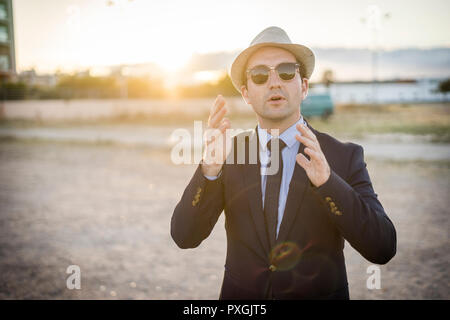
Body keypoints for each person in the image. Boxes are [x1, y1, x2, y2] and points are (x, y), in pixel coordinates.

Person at [171, 26, 396, 300]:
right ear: (246, 94)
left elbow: (382, 247)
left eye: (286, 71)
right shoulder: (230, 154)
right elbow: (185, 236)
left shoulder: (343, 156)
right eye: (260, 75)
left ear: (303, 87)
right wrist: (209, 170)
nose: (274, 82)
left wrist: (328, 182)